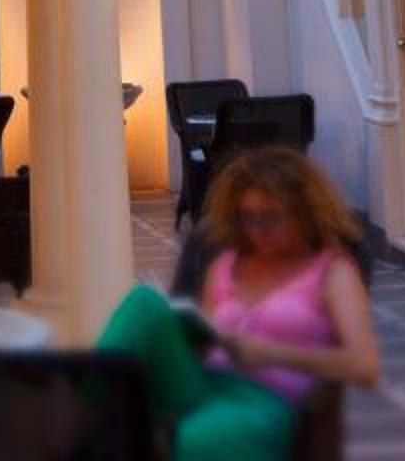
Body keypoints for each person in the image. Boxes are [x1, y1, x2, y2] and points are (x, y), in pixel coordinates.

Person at [99, 146, 378, 460]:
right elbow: (207, 338)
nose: (258, 231)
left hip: (267, 398)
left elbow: (365, 367)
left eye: (270, 217)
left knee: (199, 434)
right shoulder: (226, 264)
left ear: (303, 212)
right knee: (144, 302)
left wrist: (270, 352)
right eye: (248, 218)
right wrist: (193, 333)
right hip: (204, 382)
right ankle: (80, 400)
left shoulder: (331, 272)